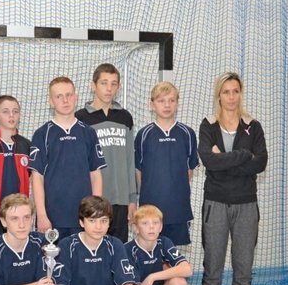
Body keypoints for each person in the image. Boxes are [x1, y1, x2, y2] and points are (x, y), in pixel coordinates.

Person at [198, 72, 268, 285]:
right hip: (215, 201)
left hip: (246, 203)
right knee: (213, 260)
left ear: (241, 93)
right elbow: (209, 161)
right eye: (226, 91)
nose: (231, 97)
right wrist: (243, 156)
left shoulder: (253, 126)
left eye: (235, 91)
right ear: (219, 95)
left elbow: (260, 163)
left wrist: (225, 159)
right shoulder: (208, 125)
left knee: (243, 261)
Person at [30, 76, 106, 238]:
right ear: (51, 102)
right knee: (52, 255)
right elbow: (37, 177)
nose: (65, 100)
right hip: (52, 217)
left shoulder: (88, 132)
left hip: (84, 217)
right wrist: (41, 215)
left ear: (76, 97)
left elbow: (95, 174)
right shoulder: (42, 134)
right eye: (59, 96)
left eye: (69, 95)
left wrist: (96, 211)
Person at [75, 63, 137, 242]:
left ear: (119, 87)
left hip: (121, 201)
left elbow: (129, 160)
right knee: (92, 248)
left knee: (118, 249)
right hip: (94, 199)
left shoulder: (125, 117)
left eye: (113, 83)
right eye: (104, 83)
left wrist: (132, 199)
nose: (109, 88)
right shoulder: (80, 118)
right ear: (93, 85)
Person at [134, 82, 198, 246]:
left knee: (173, 254)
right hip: (150, 210)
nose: (167, 105)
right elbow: (139, 172)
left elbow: (189, 171)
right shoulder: (143, 135)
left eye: (171, 100)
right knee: (150, 252)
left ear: (177, 103)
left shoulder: (187, 133)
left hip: (178, 209)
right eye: (161, 101)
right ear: (152, 105)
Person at [0, 96, 31, 236]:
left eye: (15, 111)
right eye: (5, 111)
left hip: (18, 216)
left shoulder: (27, 145)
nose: (11, 115)